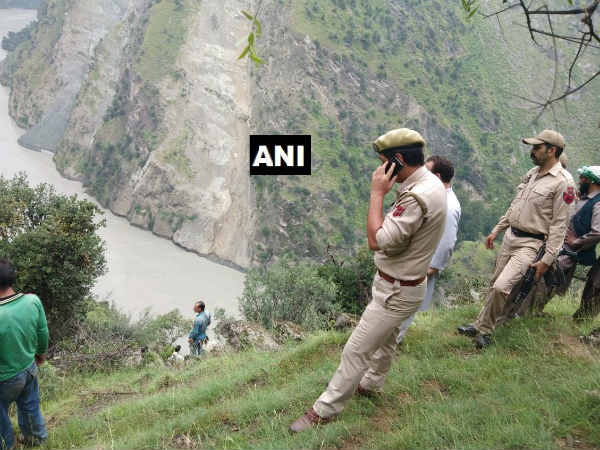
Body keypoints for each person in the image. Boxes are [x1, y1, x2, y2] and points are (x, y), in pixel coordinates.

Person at [289, 128, 447, 432]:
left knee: (356, 350)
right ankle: (371, 384)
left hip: (396, 290)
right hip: (406, 285)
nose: (380, 170)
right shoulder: (429, 182)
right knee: (386, 339)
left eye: (383, 163)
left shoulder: (417, 196)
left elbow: (377, 240)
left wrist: (377, 194)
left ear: (398, 160)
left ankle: (324, 411)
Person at [458, 129, 575, 349]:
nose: (532, 151)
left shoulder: (564, 183)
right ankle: (479, 324)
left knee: (502, 286)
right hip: (511, 237)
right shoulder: (532, 173)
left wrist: (547, 260)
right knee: (494, 284)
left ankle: (486, 330)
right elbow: (516, 205)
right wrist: (498, 229)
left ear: (552, 150)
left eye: (537, 147)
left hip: (532, 243)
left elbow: (560, 225)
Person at [395, 156, 461, 344]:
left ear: (437, 177)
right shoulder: (435, 196)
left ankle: (392, 342)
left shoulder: (449, 206)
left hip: (422, 265)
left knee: (405, 304)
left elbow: (447, 242)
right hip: (413, 259)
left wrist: (431, 268)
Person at [531, 166, 600, 321]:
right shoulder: (584, 198)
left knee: (549, 279)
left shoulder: (598, 203)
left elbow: (597, 232)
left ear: (592, 181)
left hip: (570, 251)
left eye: (583, 178)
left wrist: (576, 242)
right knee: (548, 278)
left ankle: (531, 311)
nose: (580, 180)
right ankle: (532, 310)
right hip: (560, 247)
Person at [0, 260, 48, 450]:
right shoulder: (32, 301)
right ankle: (36, 438)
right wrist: (40, 354)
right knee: (30, 405)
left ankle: (6, 444)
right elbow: (43, 332)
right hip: (29, 367)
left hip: (4, 377)